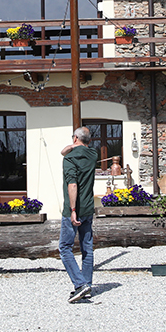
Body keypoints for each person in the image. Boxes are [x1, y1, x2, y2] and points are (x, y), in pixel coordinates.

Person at [59, 125, 99, 303]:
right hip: (89, 208)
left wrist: (73, 210)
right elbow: (64, 150)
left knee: (65, 247)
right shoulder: (93, 155)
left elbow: (72, 185)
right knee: (87, 248)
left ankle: (80, 284)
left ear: (75, 139)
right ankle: (87, 286)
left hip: (73, 210)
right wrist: (75, 145)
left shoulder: (69, 159)